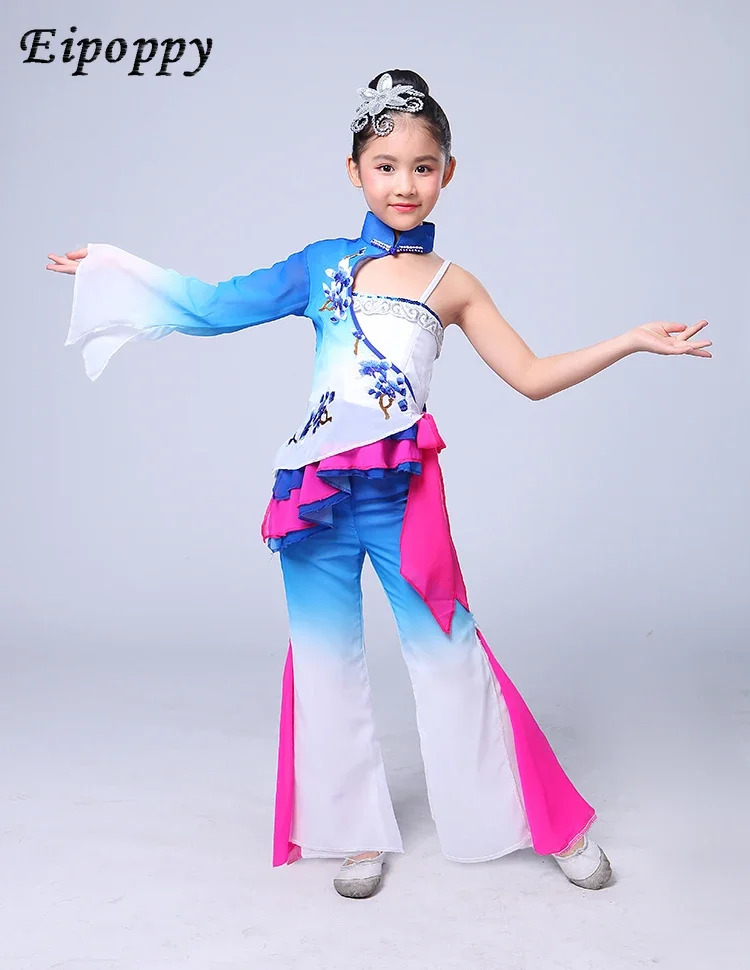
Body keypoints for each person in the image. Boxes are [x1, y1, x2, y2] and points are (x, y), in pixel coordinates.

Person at [47, 69, 711, 900]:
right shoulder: (322, 265)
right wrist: (113, 273)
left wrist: (631, 341)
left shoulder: (453, 284)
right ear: (355, 170)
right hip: (315, 495)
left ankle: (546, 824)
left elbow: (533, 376)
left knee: (451, 653)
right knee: (324, 666)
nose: (405, 183)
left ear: (448, 174)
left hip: (402, 498)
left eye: (423, 166)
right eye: (386, 165)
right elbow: (216, 306)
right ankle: (349, 831)